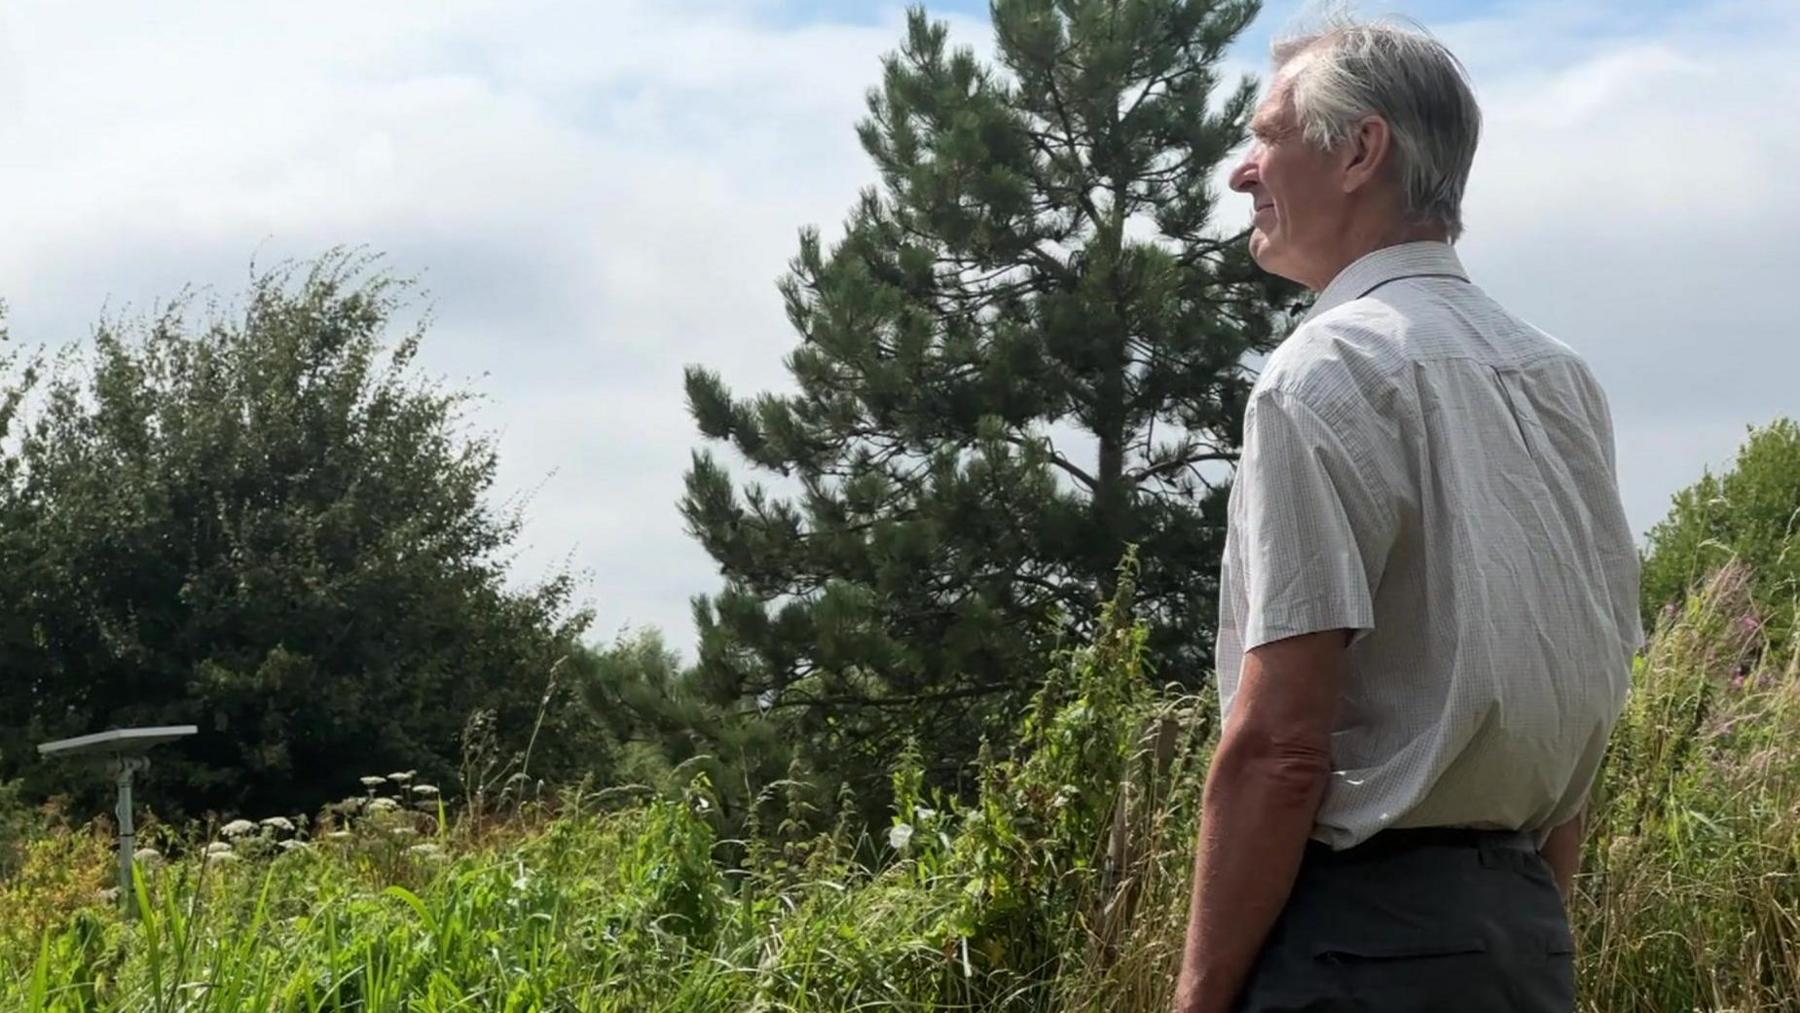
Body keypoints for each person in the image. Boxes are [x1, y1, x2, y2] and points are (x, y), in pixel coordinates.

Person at [1171, 16, 1642, 1013]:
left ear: (1359, 150)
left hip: (1354, 949)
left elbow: (1281, 746)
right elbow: (1575, 703)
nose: (1241, 173)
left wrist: (1199, 997)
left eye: (1267, 136)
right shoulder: (1563, 382)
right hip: (1522, 941)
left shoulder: (1323, 375)